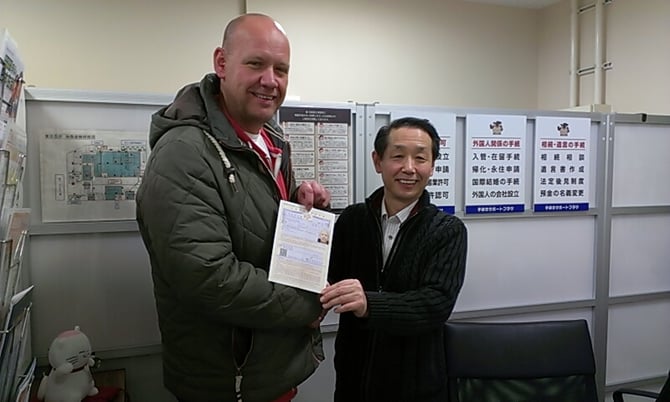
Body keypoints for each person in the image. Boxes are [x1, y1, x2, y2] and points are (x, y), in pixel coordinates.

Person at [136, 13, 330, 402]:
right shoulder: (184, 153)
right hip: (229, 379)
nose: (270, 80)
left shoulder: (270, 140)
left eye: (281, 69)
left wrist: (298, 202)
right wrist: (306, 306)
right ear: (221, 63)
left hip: (269, 366)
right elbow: (208, 277)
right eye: (256, 64)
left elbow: (251, 225)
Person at [320, 117, 468, 402]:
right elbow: (326, 278)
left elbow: (435, 304)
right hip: (353, 380)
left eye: (420, 158)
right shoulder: (352, 220)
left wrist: (369, 303)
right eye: (398, 156)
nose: (409, 168)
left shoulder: (447, 230)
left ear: (432, 166)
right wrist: (313, 216)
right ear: (378, 161)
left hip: (416, 386)